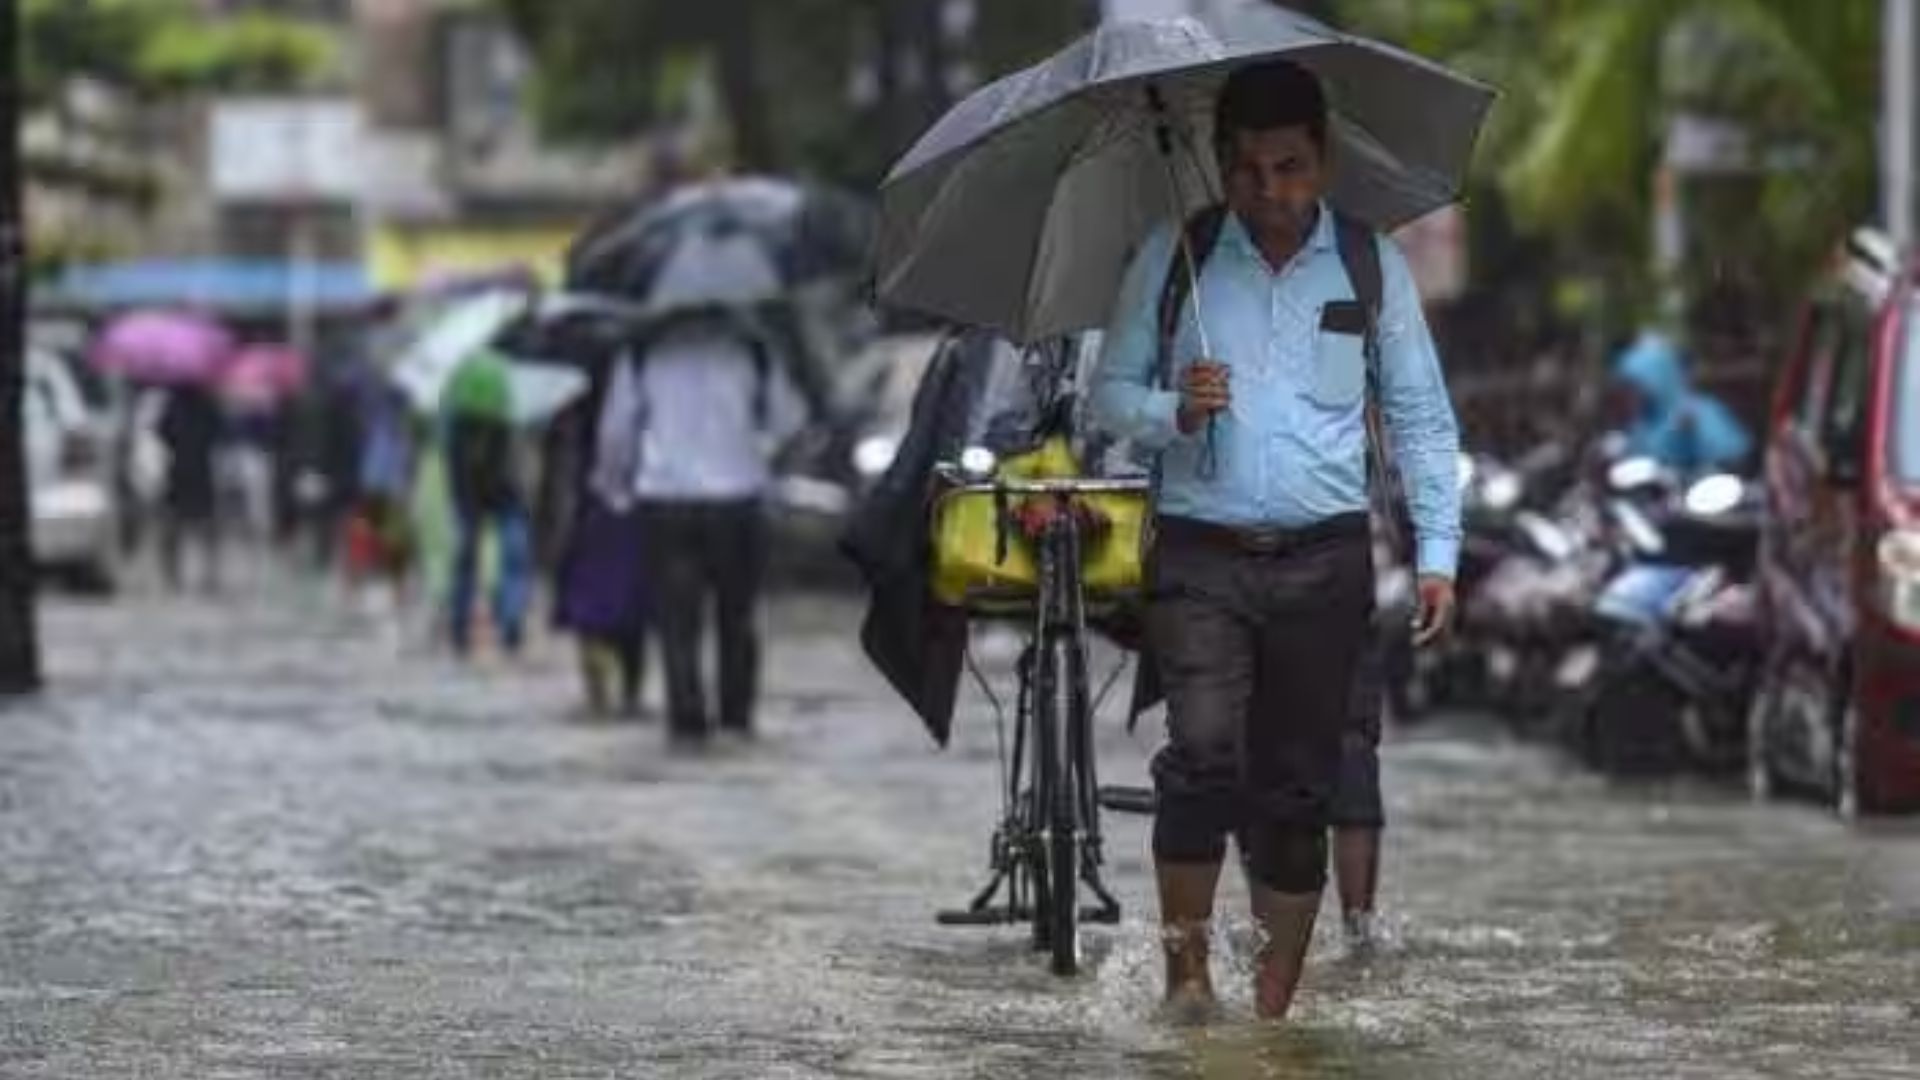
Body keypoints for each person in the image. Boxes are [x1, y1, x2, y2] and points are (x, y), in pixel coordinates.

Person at [1092, 59, 1461, 1021]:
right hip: (1201, 554)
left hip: (1327, 557)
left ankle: (1269, 1020)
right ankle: (1185, 983)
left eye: (1289, 168)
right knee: (1204, 753)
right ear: (1221, 163)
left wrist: (1437, 555)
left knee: (1300, 790)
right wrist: (1176, 409)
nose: (1270, 192)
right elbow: (1111, 397)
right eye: (1250, 170)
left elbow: (1420, 418)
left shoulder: (1373, 265)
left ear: (1323, 162)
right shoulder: (1174, 258)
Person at [594, 306, 806, 744]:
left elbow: (616, 431)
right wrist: (756, 445)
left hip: (667, 502)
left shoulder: (642, 352)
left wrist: (615, 488)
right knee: (738, 615)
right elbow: (789, 421)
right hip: (737, 496)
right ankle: (735, 718)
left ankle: (687, 721)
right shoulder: (753, 348)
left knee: (676, 620)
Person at [442, 353, 533, 658]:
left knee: (472, 559)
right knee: (510, 557)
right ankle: (508, 624)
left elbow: (455, 471)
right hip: (498, 497)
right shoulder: (505, 420)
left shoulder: (458, 424)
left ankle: (465, 626)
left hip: (482, 497)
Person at [1610, 331, 1752, 475]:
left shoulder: (1700, 411)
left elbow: (1731, 452)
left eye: (1637, 385)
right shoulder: (1640, 422)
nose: (1632, 394)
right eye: (1628, 387)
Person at [156, 382, 226, 592]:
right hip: (195, 470)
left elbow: (161, 432)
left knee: (184, 526)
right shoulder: (205, 403)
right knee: (194, 525)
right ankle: (201, 574)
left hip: (182, 469)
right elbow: (219, 431)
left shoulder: (174, 403)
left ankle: (180, 574)